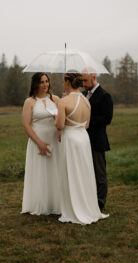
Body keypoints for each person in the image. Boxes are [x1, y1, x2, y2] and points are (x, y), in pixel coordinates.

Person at [56, 73, 109, 225]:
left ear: (67, 82)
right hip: (84, 138)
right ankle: (87, 206)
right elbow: (86, 124)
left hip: (71, 139)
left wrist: (57, 116)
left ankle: (74, 208)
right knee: (84, 172)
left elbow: (59, 125)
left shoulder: (63, 101)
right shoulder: (86, 101)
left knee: (71, 172)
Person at [21, 72, 60, 215]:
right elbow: (26, 125)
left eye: (47, 81)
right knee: (39, 172)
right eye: (42, 82)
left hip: (54, 141)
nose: (45, 85)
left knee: (54, 172)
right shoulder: (30, 101)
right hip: (37, 140)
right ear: (36, 84)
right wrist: (39, 143)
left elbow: (62, 120)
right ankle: (39, 204)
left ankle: (55, 204)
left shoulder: (55, 99)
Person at [82, 73, 113, 211]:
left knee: (99, 173)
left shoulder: (104, 95)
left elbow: (107, 119)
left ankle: (100, 203)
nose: (83, 83)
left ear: (94, 78)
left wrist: (88, 122)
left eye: (85, 80)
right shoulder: (83, 94)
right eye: (82, 80)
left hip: (97, 140)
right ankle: (88, 200)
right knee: (86, 172)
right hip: (83, 140)